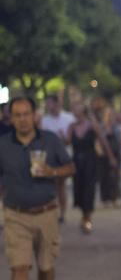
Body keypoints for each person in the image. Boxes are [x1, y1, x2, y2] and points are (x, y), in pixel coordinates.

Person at [0, 97, 74, 280]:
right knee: (18, 266)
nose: (22, 119)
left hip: (46, 212)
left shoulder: (50, 140)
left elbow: (70, 167)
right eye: (17, 115)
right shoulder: (3, 145)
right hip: (15, 214)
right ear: (10, 118)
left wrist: (51, 171)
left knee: (45, 266)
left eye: (26, 114)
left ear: (34, 116)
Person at [67, 103, 114, 234]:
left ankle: (88, 218)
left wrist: (111, 157)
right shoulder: (72, 126)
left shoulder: (92, 125)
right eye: (74, 109)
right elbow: (67, 142)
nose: (75, 111)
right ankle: (84, 215)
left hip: (90, 161)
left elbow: (103, 141)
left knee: (89, 189)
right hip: (77, 162)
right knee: (79, 190)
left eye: (77, 108)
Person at [40, 95, 75, 223]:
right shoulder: (45, 121)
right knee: (52, 186)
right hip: (50, 157)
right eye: (47, 104)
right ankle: (53, 211)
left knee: (61, 185)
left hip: (64, 156)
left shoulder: (69, 118)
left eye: (50, 103)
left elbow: (71, 138)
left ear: (56, 104)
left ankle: (63, 212)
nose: (48, 106)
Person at [97, 106, 121, 207]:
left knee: (115, 177)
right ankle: (105, 198)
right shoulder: (101, 127)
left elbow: (120, 141)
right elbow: (100, 141)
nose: (110, 117)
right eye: (108, 115)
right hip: (104, 155)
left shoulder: (117, 127)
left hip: (116, 153)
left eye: (112, 115)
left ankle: (114, 197)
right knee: (105, 177)